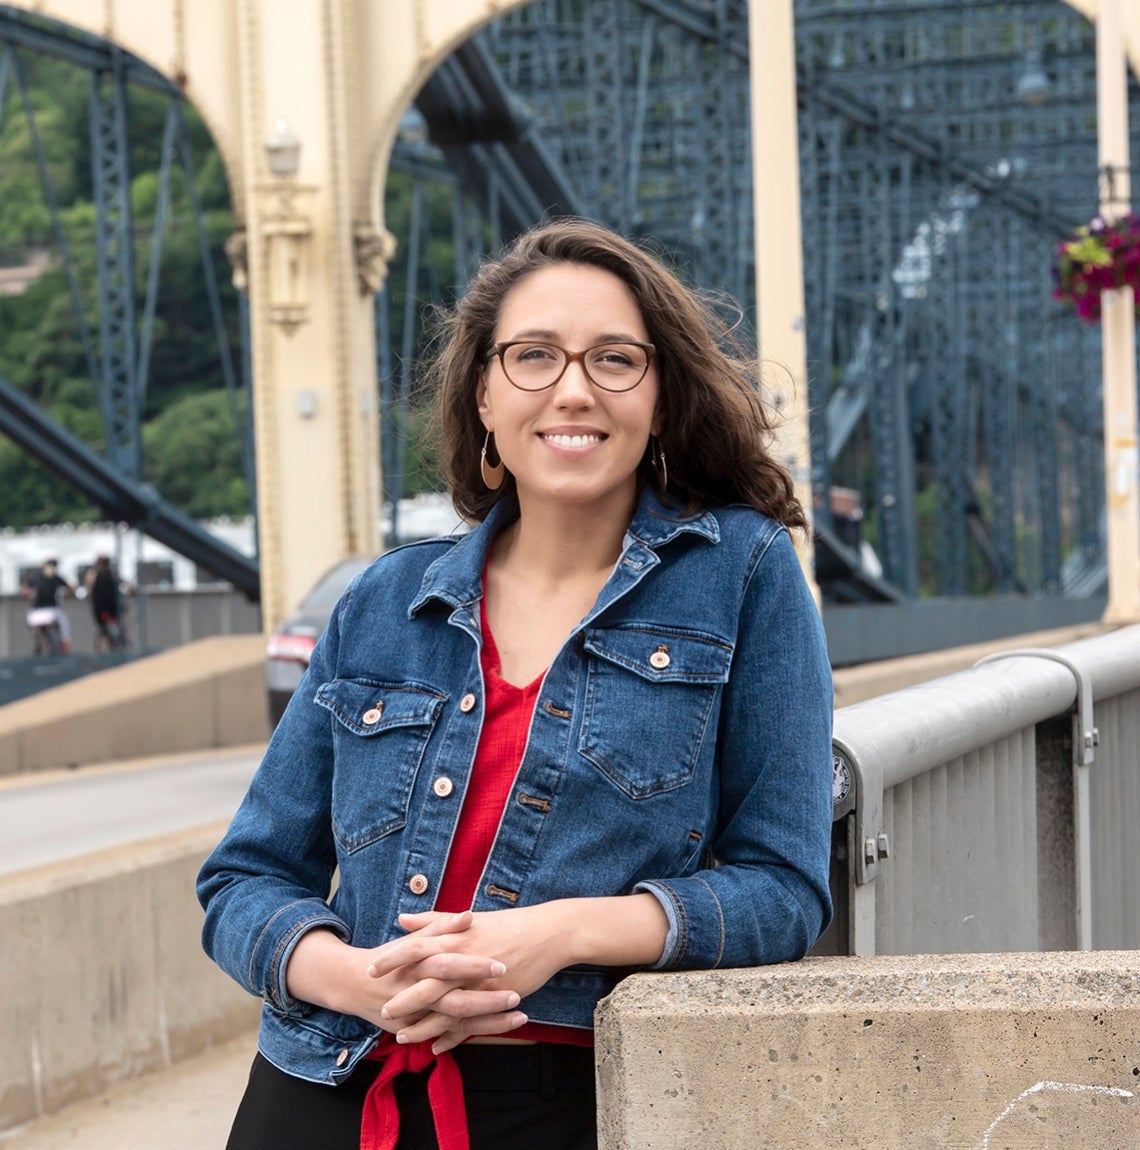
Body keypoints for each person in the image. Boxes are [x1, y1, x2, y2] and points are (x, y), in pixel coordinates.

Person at [197, 219, 834, 1150]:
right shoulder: (383, 602)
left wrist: (558, 935)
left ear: (660, 397)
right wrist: (356, 977)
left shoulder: (744, 575)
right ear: (485, 394)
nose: (573, 389)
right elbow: (244, 879)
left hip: (573, 1101)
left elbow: (783, 889)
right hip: (328, 1086)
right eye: (533, 356)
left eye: (615, 359)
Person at [21, 558, 75, 654]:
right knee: (64, 629)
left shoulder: (38, 578)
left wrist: (28, 594)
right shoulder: (55, 578)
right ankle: (65, 649)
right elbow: (71, 589)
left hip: (35, 613)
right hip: (51, 611)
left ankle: (38, 641)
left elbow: (24, 590)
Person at [85, 555, 127, 652]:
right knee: (107, 629)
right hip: (108, 608)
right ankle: (110, 647)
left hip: (103, 608)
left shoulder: (94, 574)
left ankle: (107, 648)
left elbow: (89, 589)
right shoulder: (111, 573)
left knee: (104, 630)